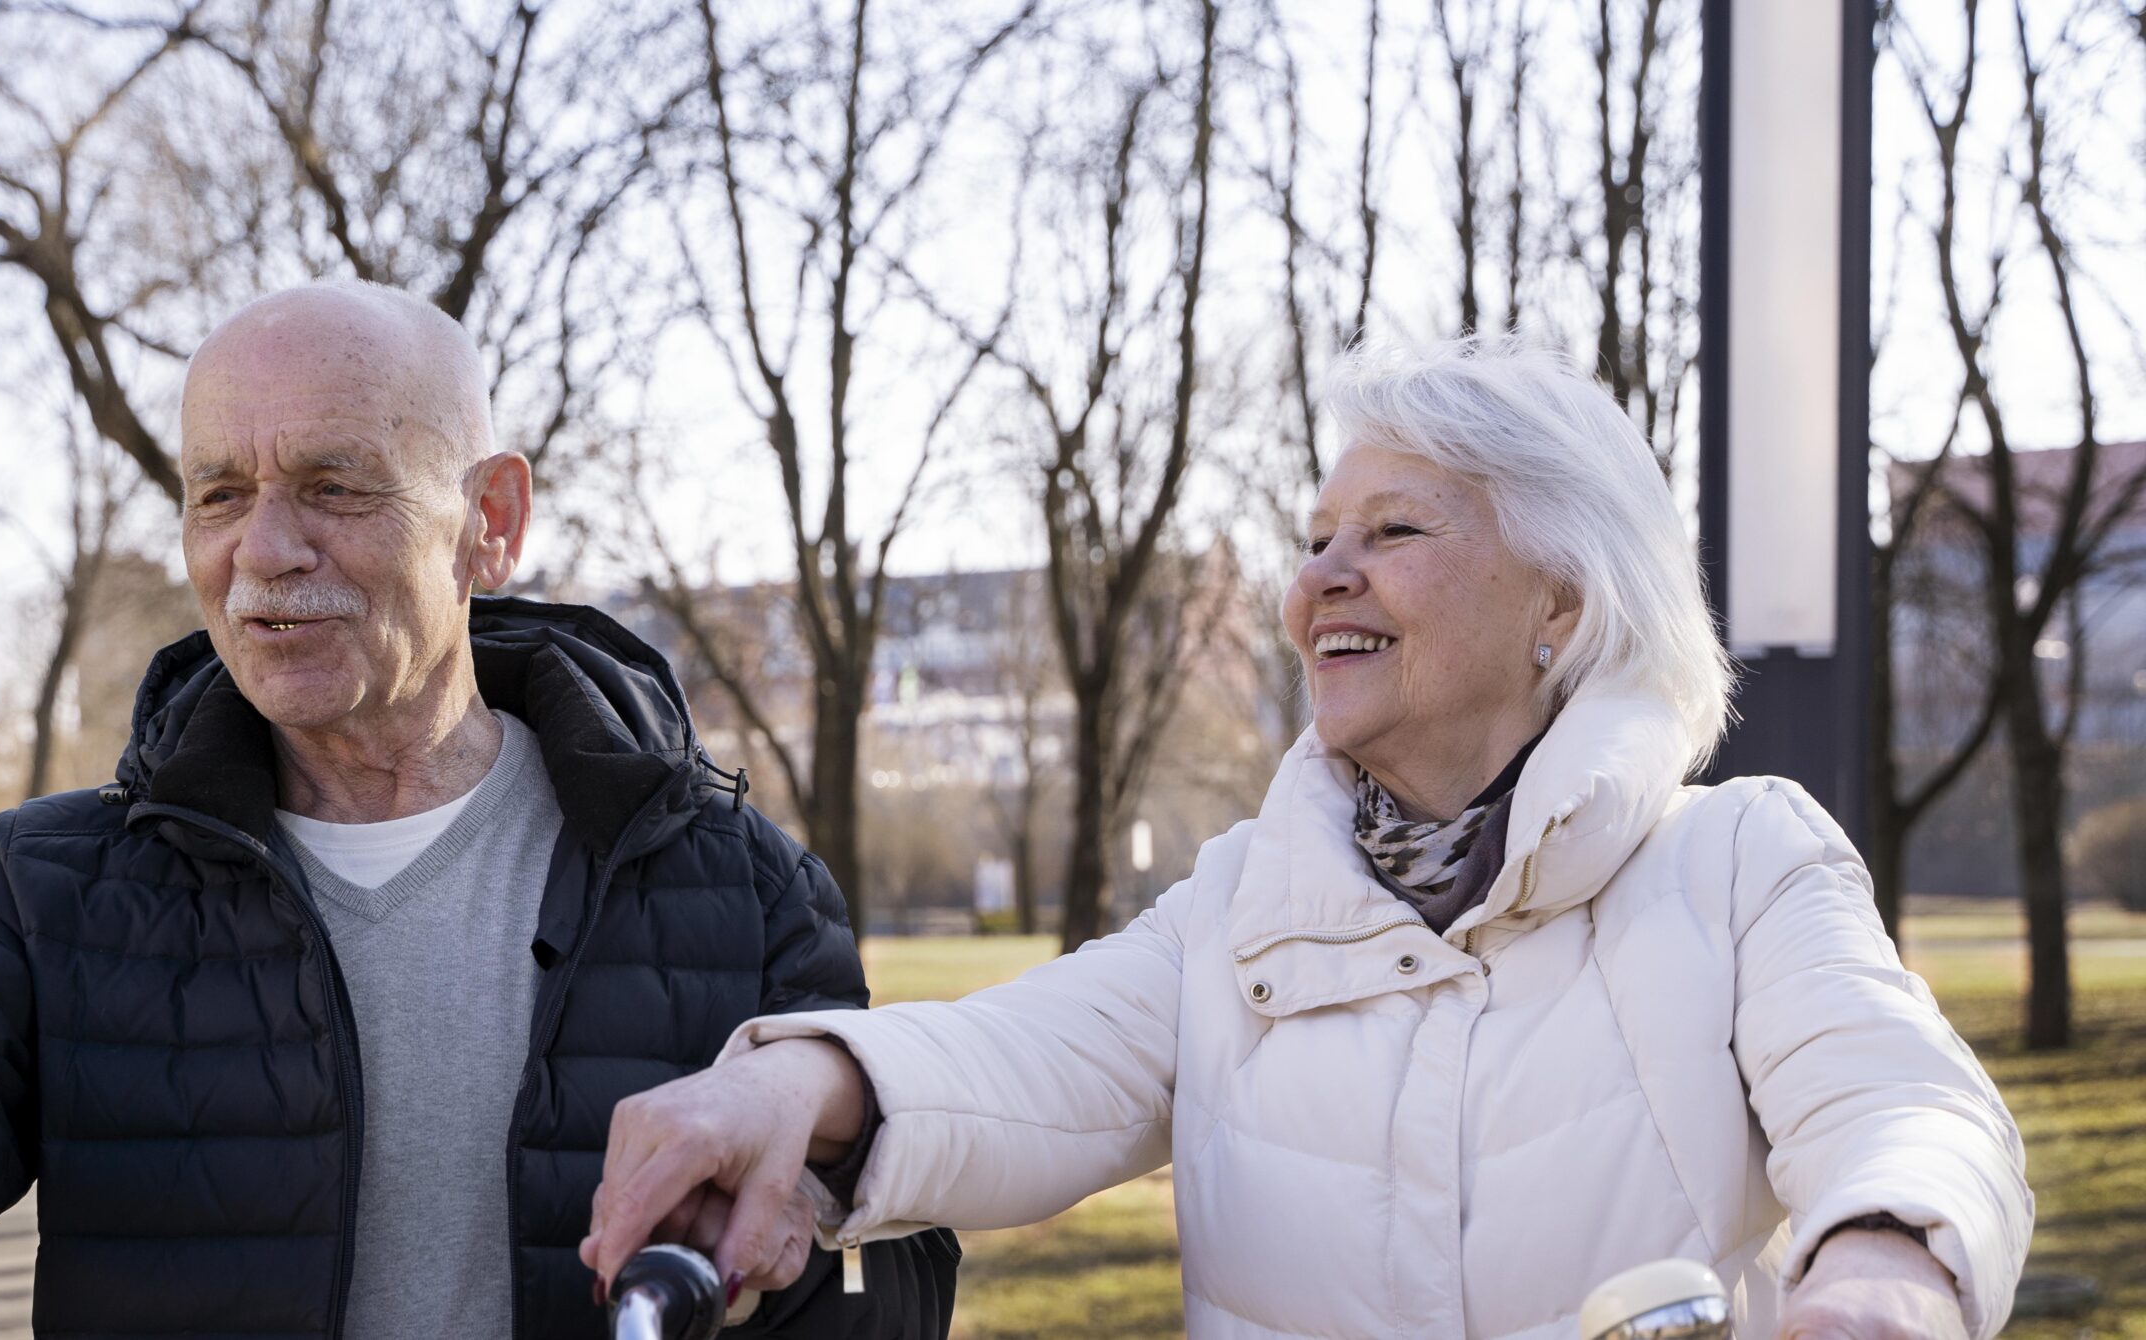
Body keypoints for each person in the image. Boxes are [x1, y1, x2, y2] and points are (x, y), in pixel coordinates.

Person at [0, 279, 956, 1338]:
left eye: (333, 486)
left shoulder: (739, 890)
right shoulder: (51, 886)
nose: (264, 551)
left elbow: (892, 1271)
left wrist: (780, 1262)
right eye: (220, 495)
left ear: (489, 521)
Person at [584, 340, 2033, 1340]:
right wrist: (797, 1084)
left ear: (1563, 605)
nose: (1321, 579)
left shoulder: (1739, 865)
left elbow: (1903, 1105)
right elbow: (1026, 1061)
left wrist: (1885, 1268)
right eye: (1317, 537)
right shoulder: (1242, 902)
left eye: (1393, 532)